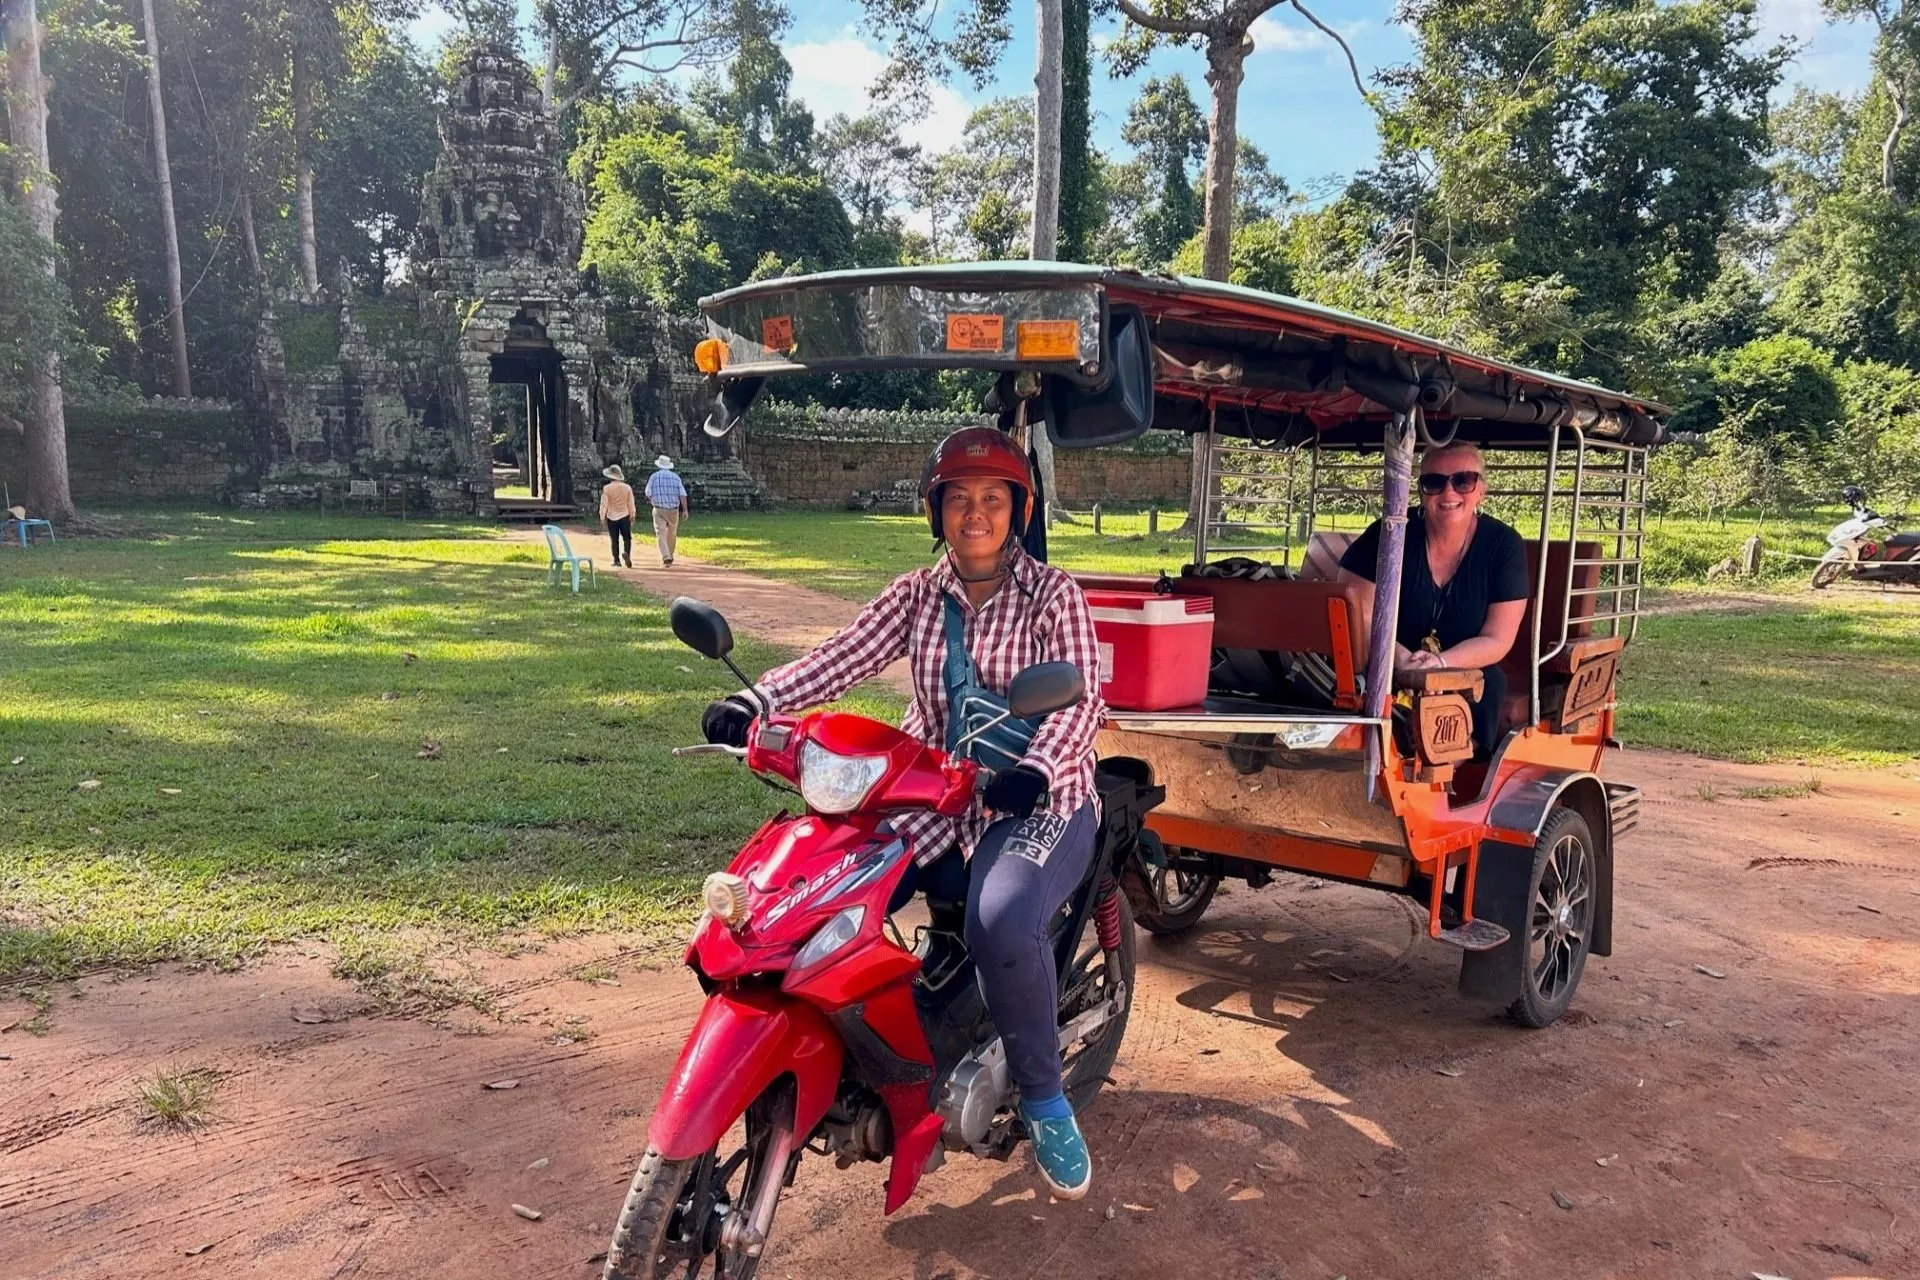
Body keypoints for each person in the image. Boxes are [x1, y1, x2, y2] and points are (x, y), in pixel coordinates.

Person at [700, 427, 1108, 1201]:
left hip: (1038, 799)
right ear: (937, 512)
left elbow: (1080, 701)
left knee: (998, 918)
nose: (976, 514)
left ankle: (1047, 1099)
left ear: (1018, 510)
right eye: (959, 499)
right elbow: (842, 653)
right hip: (937, 791)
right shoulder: (916, 594)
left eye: (993, 499)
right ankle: (874, 1052)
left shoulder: (1055, 596)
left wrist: (1033, 771)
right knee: (819, 882)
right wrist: (756, 702)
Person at [1337, 440, 1529, 755]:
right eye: (1434, 482)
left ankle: (1443, 783)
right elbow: (1354, 614)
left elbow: (1498, 638)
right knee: (1348, 677)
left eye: (1463, 481)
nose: (1449, 493)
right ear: (1421, 490)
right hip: (1388, 659)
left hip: (1465, 664)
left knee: (1487, 683)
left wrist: (1440, 663)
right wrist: (1399, 659)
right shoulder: (1388, 534)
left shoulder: (1504, 546)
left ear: (1481, 490)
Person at [644, 454, 689, 568]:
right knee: (672, 533)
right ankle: (670, 555)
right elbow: (682, 494)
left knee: (661, 533)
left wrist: (653, 500)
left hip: (659, 508)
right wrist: (685, 510)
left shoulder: (654, 477)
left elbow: (648, 493)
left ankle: (666, 556)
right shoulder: (675, 477)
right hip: (673, 510)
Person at [598, 464, 636, 568]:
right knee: (627, 538)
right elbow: (631, 503)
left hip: (612, 516)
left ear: (610, 477)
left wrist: (602, 516)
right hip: (624, 515)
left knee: (614, 539)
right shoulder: (627, 488)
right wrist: (632, 514)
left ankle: (616, 560)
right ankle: (627, 553)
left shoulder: (607, 488)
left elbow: (604, 504)